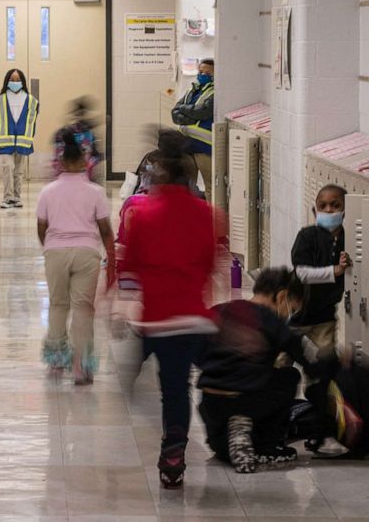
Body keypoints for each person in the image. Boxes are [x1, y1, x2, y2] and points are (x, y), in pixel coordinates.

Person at [121, 129, 218, 490]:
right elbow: (210, 264)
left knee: (167, 386)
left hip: (158, 320)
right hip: (192, 318)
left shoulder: (143, 215)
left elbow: (129, 264)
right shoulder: (206, 214)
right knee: (179, 389)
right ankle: (174, 453)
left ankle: (172, 447)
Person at [197, 267, 330, 474]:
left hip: (211, 403)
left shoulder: (219, 311)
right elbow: (307, 362)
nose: (289, 315)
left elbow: (196, 353)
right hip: (248, 401)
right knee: (288, 376)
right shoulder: (272, 322)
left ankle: (235, 440)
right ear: (282, 296)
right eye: (291, 309)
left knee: (223, 449)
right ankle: (268, 447)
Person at [37, 128, 116, 384]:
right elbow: (105, 229)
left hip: (55, 252)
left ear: (60, 163)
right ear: (84, 162)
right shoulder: (95, 191)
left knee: (58, 305)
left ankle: (57, 361)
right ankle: (82, 367)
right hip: (87, 254)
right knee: (83, 309)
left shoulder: (47, 192)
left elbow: (42, 227)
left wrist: (50, 247)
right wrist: (110, 256)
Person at [290, 184, 351, 360]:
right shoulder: (307, 236)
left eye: (336, 205)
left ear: (346, 210)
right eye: (322, 206)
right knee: (281, 359)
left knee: (325, 362)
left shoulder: (349, 240)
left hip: (325, 316)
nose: (329, 210)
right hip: (299, 313)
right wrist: (335, 271)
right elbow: (302, 273)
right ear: (315, 210)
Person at [0, 68, 38, 208]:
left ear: (23, 81)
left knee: (19, 171)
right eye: (12, 80)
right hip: (6, 141)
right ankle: (7, 197)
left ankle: (17, 197)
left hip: (22, 142)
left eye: (18, 79)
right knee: (8, 167)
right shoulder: (0, 100)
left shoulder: (31, 100)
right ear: (7, 81)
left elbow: (32, 121)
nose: (15, 82)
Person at [171, 58, 215, 198]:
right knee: (187, 187)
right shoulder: (192, 90)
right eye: (201, 71)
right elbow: (175, 112)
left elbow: (203, 112)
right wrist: (192, 114)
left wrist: (186, 111)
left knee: (211, 188)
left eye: (208, 73)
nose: (203, 75)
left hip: (204, 148)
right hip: (186, 145)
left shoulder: (216, 92)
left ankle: (210, 219)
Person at [51, 96, 104, 183]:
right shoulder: (86, 134)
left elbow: (56, 160)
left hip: (69, 179)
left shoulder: (62, 133)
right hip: (81, 178)